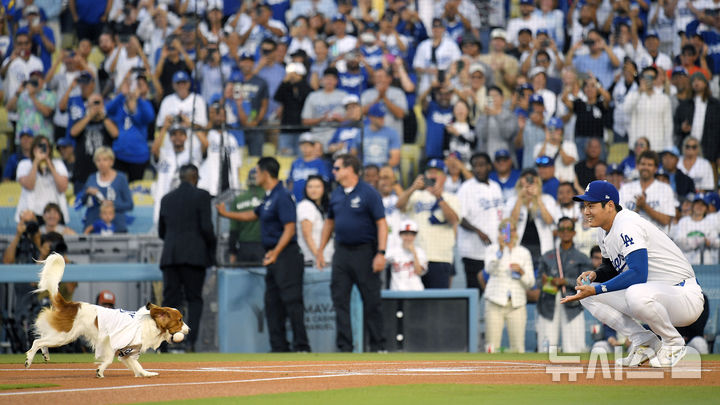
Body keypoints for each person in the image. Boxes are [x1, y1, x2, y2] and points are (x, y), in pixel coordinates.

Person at [563, 180, 704, 367]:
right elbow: (611, 267)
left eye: (591, 205)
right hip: (655, 296)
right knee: (586, 294)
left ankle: (673, 343)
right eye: (585, 206)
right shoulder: (604, 230)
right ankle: (644, 341)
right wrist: (597, 275)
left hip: (683, 295)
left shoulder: (627, 224)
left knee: (633, 292)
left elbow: (638, 273)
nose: (586, 211)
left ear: (610, 205)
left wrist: (598, 290)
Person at [216, 157, 310, 353]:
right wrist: (227, 215)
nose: (255, 176)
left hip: (286, 255)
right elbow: (252, 214)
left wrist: (275, 252)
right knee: (272, 303)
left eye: (257, 172)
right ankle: (279, 347)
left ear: (266, 173)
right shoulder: (270, 197)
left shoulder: (282, 196)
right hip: (273, 256)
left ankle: (302, 346)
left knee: (292, 301)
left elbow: (290, 228)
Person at [316, 154, 387, 352]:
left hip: (365, 251)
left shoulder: (369, 193)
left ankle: (378, 345)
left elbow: (381, 223)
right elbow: (329, 222)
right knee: (339, 300)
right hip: (342, 252)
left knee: (371, 301)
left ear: (349, 169)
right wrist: (321, 249)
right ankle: (345, 347)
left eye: (337, 168)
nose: (334, 172)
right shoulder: (336, 194)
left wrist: (380, 252)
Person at [158, 164, 216, 352]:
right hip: (194, 256)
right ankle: (190, 343)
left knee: (171, 301)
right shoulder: (202, 196)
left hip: (171, 256)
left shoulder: (166, 199)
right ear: (195, 177)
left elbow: (162, 232)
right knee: (194, 299)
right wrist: (211, 247)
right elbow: (207, 227)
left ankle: (166, 343)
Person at [396, 159, 460, 289]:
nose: (432, 176)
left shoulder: (452, 198)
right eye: (430, 172)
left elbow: (453, 219)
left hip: (440, 257)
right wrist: (413, 188)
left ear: (444, 177)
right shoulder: (417, 195)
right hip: (416, 256)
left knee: (438, 302)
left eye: (437, 173)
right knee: (414, 301)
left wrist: (440, 198)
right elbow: (399, 205)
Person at [536, 217, 591, 353]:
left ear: (574, 232)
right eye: (562, 229)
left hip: (573, 304)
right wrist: (547, 283)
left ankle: (575, 374)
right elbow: (538, 282)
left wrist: (565, 281)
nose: (565, 232)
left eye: (568, 229)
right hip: (549, 304)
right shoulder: (547, 256)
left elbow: (588, 283)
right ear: (558, 233)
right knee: (546, 348)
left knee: (574, 348)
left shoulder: (582, 257)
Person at [483, 218, 535, 353]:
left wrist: (521, 271)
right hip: (495, 302)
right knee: (491, 347)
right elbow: (489, 269)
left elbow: (530, 282)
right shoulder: (492, 249)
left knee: (518, 347)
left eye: (511, 230)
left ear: (516, 232)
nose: (509, 233)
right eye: (505, 230)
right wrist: (500, 250)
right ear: (500, 232)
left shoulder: (523, 252)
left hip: (516, 304)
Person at [457, 152, 504, 297]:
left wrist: (506, 239)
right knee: (475, 292)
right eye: (475, 166)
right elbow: (460, 217)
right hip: (473, 252)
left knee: (494, 293)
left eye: (481, 165)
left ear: (489, 166)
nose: (478, 169)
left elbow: (502, 217)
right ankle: (472, 320)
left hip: (494, 250)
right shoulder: (466, 188)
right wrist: (478, 231)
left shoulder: (496, 187)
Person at [69, 92, 119, 192]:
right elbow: (73, 132)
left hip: (104, 175)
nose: (96, 106)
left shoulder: (108, 120)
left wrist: (103, 117)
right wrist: (89, 116)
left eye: (98, 103)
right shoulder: (81, 120)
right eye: (93, 103)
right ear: (88, 105)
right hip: (82, 175)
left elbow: (115, 134)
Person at [15, 136, 69, 224]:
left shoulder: (58, 164)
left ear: (49, 149)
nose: (42, 149)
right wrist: (36, 162)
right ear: (33, 149)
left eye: (44, 146)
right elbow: (29, 186)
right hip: (32, 212)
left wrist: (50, 164)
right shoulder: (24, 164)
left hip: (54, 214)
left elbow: (63, 187)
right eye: (38, 146)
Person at [619, 151, 676, 233]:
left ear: (656, 169)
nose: (645, 167)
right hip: (633, 238)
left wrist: (645, 207)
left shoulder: (665, 189)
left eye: (649, 165)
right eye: (643, 164)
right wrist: (637, 209)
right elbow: (620, 219)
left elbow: (666, 220)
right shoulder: (625, 189)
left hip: (657, 239)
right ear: (637, 166)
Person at [79, 147, 133, 233]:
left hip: (117, 228)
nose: (101, 163)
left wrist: (113, 204)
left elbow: (129, 205)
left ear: (111, 162)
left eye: (105, 160)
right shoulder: (91, 178)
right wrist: (86, 193)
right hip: (94, 227)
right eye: (98, 160)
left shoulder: (121, 178)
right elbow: (81, 202)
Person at [296, 175, 333, 268]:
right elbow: (307, 235)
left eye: (317, 186)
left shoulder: (323, 208)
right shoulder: (306, 206)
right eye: (310, 186)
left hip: (325, 259)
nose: (314, 190)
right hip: (313, 261)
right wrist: (318, 256)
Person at [671, 195, 719, 266]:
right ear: (693, 206)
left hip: (706, 266)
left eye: (702, 205)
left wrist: (710, 242)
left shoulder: (710, 223)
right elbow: (679, 242)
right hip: (687, 264)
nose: (699, 207)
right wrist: (698, 241)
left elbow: (717, 243)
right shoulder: (684, 221)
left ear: (706, 208)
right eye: (697, 204)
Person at [288, 133, 331, 203]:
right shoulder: (296, 163)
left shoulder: (320, 163)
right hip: (296, 200)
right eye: (303, 145)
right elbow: (290, 181)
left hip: (313, 201)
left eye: (308, 145)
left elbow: (324, 182)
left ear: (314, 146)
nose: (305, 148)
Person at [386, 219, 428, 291]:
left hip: (416, 292)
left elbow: (419, 272)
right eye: (405, 234)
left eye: (411, 235)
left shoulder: (420, 252)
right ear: (400, 235)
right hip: (397, 291)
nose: (408, 238)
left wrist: (414, 253)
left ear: (415, 236)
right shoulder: (392, 251)